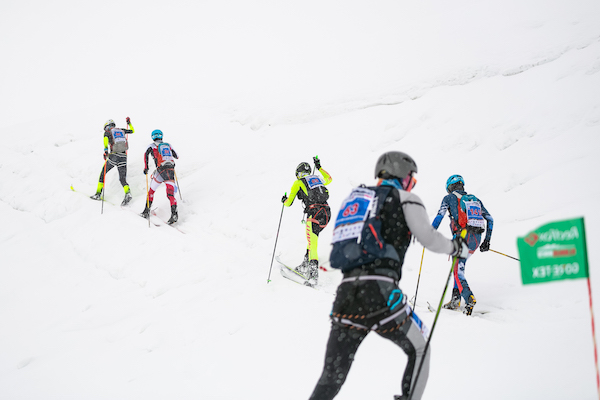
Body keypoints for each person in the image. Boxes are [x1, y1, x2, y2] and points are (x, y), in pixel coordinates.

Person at [309, 151, 469, 400]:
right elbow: (428, 238)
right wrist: (456, 248)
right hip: (381, 293)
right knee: (420, 348)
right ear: (402, 175)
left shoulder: (357, 201)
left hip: (346, 295)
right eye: (411, 178)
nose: (412, 183)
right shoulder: (406, 199)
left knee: (332, 376)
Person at [431, 174, 494, 315]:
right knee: (458, 266)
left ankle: (469, 298)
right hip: (476, 239)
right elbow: (490, 219)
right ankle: (455, 300)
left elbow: (439, 216)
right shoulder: (475, 200)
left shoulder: (448, 198)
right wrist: (486, 241)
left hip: (462, 237)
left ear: (449, 187)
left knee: (457, 270)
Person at [281, 156, 332, 286]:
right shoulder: (317, 179)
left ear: (299, 173)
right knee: (312, 239)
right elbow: (329, 179)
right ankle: (305, 265)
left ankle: (313, 275)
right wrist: (319, 167)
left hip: (314, 213)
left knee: (312, 243)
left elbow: (288, 203)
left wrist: (284, 200)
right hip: (326, 213)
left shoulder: (298, 183)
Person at [90, 118, 134, 205]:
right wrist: (129, 123)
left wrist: (106, 151)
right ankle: (128, 193)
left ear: (107, 126)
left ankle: (98, 194)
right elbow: (132, 131)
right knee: (122, 179)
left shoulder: (108, 132)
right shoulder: (121, 130)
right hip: (123, 157)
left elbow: (105, 141)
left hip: (114, 156)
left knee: (103, 173)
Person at [140, 129, 180, 224]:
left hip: (160, 171)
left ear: (153, 137)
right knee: (170, 194)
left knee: (151, 191)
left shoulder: (152, 146)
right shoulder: (168, 145)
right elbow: (177, 156)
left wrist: (146, 168)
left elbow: (145, 155)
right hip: (170, 171)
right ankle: (174, 214)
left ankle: (146, 211)